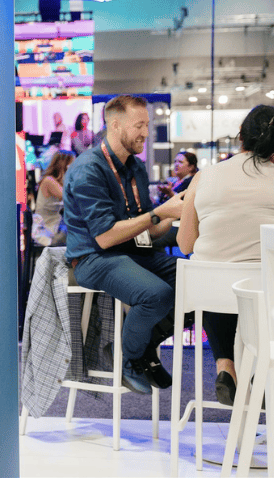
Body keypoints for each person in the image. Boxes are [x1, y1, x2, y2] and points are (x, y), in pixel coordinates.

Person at [177, 105, 274, 405]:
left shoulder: (204, 177)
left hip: (210, 294)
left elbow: (185, 244)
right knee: (256, 284)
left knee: (218, 276)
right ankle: (260, 369)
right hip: (264, 294)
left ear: (241, 136)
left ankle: (225, 367)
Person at [63, 95, 184, 393]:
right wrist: (159, 213)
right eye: (139, 125)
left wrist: (181, 210)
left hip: (132, 252)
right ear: (115, 125)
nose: (145, 132)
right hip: (94, 258)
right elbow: (105, 236)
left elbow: (146, 228)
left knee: (196, 283)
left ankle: (137, 345)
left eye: (147, 124)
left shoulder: (136, 168)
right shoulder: (88, 169)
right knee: (157, 294)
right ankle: (129, 358)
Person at [32, 152, 75, 246]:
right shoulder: (49, 181)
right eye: (73, 163)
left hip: (54, 226)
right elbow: (70, 197)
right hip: (44, 229)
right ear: (64, 165)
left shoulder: (57, 182)